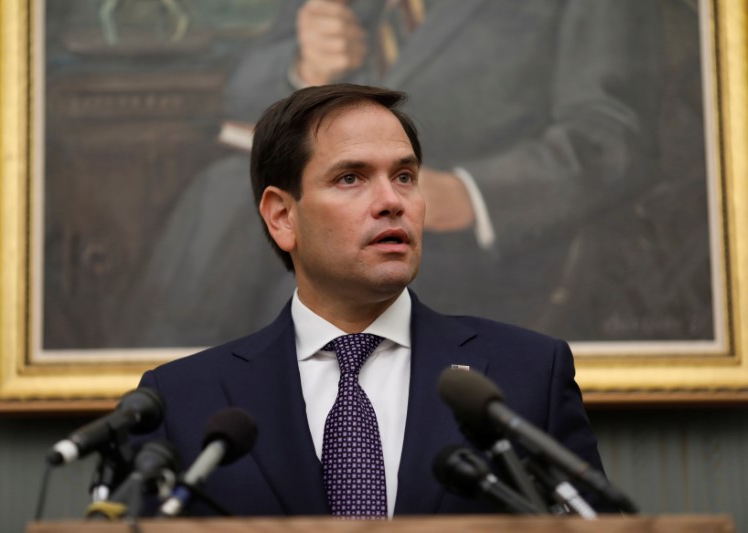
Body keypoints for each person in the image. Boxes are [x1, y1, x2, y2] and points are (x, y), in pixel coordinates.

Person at [115, 0, 709, 351]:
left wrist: (466, 195)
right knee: (227, 196)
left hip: (488, 250)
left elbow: (611, 139)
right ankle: (162, 402)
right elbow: (245, 87)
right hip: (340, 235)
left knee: (282, 294)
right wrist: (305, 65)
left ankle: (157, 420)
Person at [136, 84, 609, 517]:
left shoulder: (525, 373)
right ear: (282, 216)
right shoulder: (183, 401)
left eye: (404, 176)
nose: (391, 201)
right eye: (350, 178)